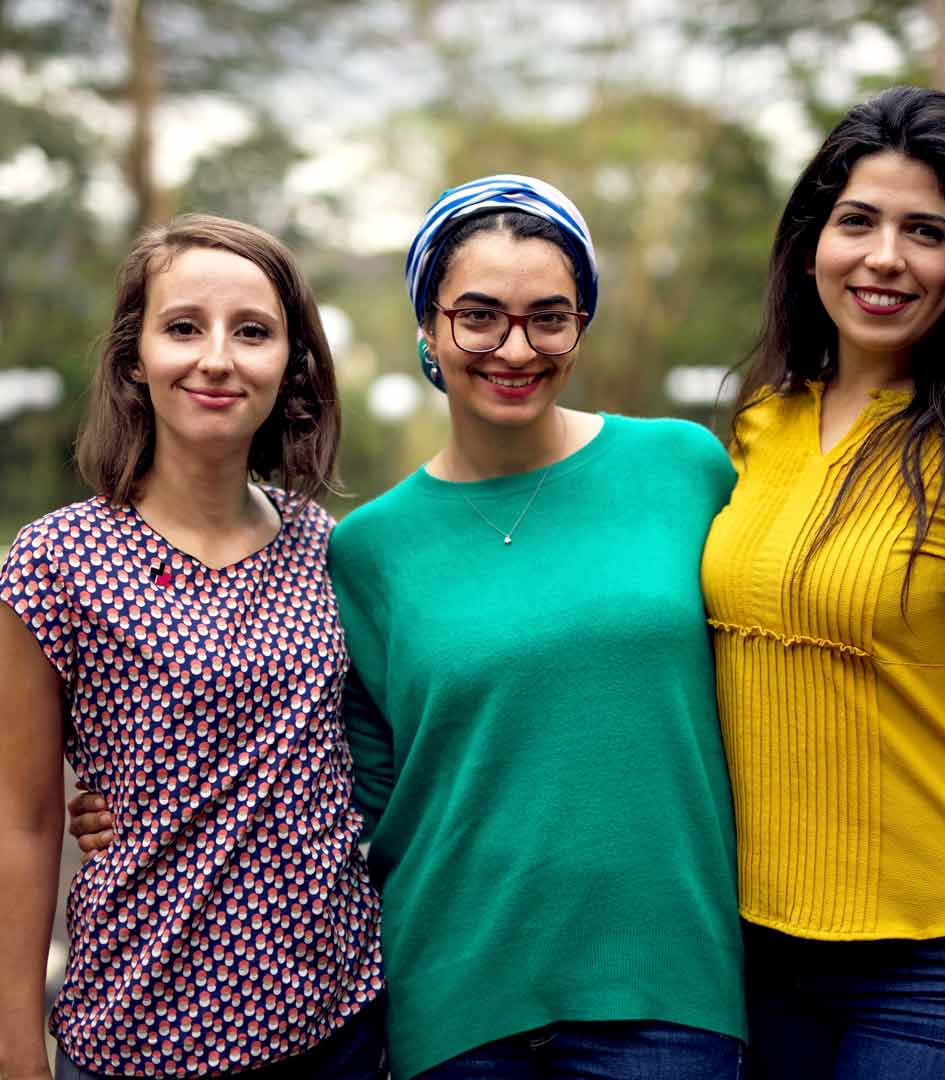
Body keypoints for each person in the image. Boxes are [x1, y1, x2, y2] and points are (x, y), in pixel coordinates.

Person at [328, 175, 747, 1078]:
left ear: (581, 326)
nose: (513, 347)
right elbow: (344, 787)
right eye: (478, 316)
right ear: (429, 329)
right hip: (455, 1004)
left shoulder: (683, 468)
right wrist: (131, 799)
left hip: (666, 993)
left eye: (548, 317)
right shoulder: (366, 551)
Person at [700, 85, 945, 1080]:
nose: (884, 258)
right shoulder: (756, 425)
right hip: (756, 952)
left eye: (926, 231)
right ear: (810, 239)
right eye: (857, 220)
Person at [0, 214, 385, 1080]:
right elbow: (19, 822)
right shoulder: (55, 563)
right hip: (138, 1034)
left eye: (252, 331)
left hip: (340, 1029)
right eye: (183, 327)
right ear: (134, 357)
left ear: (291, 363)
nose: (217, 358)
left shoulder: (334, 550)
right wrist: (15, 1047)